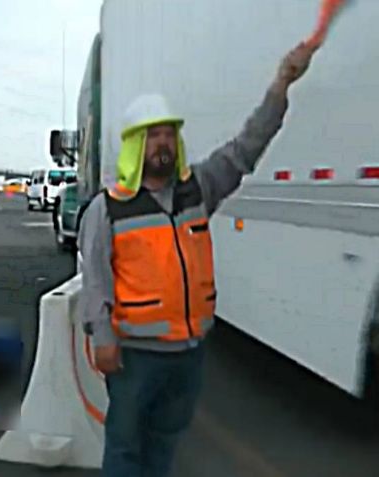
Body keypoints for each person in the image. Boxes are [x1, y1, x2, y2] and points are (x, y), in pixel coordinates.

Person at [77, 42, 317, 477]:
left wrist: (281, 85)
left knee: (164, 445)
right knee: (126, 447)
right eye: (153, 135)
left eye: (169, 133)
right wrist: (102, 337)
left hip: (187, 353)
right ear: (135, 145)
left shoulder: (199, 189)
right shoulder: (108, 208)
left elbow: (246, 148)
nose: (163, 142)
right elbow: (94, 277)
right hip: (136, 356)